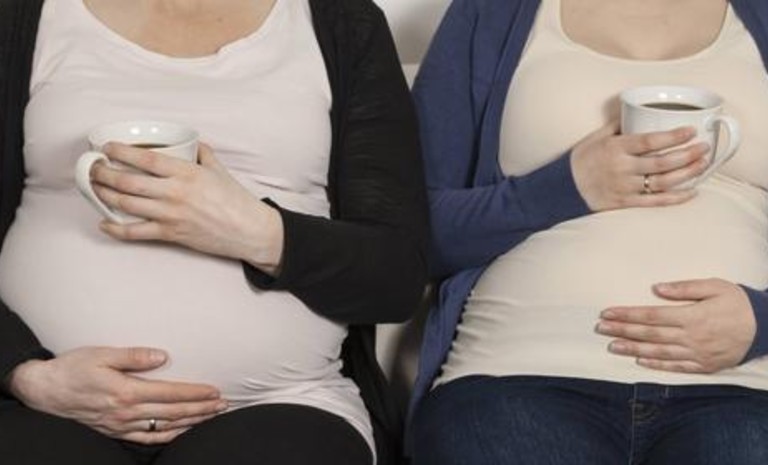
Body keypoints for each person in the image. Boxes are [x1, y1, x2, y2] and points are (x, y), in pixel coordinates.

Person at [0, 0, 428, 464]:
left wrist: (256, 231)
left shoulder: (343, 23)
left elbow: (397, 276)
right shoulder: (20, 17)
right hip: (38, 406)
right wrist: (23, 373)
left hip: (281, 406)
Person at [408, 0, 768, 463]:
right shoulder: (493, 11)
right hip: (516, 373)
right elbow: (408, 234)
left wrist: (762, 322)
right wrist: (564, 188)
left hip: (746, 390)